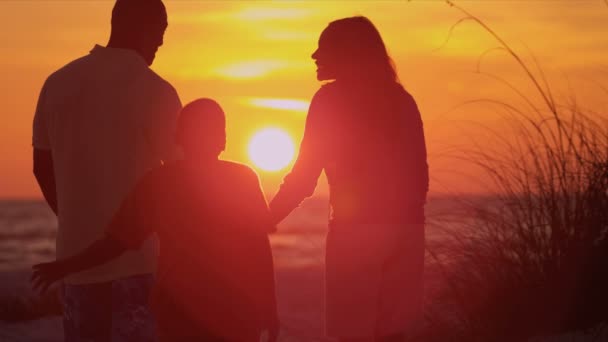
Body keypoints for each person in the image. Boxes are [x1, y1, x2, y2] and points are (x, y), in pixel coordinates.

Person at [32, 99, 279, 342]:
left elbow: (115, 243)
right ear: (222, 139)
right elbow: (259, 249)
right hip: (231, 315)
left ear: (179, 136)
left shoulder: (159, 182)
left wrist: (66, 266)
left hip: (183, 313)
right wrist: (270, 307)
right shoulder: (242, 179)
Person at [269, 16, 429, 342]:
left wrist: (265, 217)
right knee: (392, 336)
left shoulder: (330, 101)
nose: (314, 56)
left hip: (356, 233)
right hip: (407, 232)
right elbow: (420, 178)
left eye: (324, 47)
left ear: (348, 53)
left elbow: (304, 176)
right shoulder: (402, 100)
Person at [31, 0, 181, 340]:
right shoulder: (156, 90)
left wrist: (73, 218)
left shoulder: (56, 83)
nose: (160, 41)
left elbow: (42, 167)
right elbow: (181, 181)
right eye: (160, 30)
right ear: (137, 26)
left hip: (74, 262)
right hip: (138, 263)